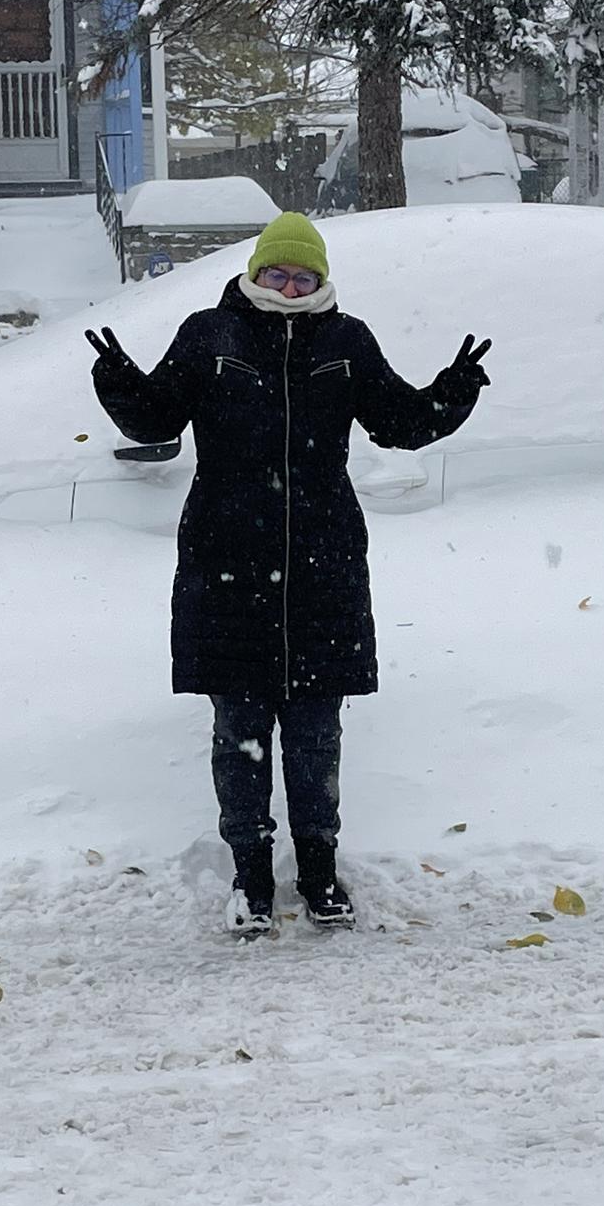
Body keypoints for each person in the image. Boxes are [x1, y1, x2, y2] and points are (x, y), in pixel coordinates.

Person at [87, 210, 491, 936]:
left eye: (304, 275)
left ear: (321, 280)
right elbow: (155, 423)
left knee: (314, 733)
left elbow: (399, 424)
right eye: (278, 271)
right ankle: (248, 878)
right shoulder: (209, 335)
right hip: (225, 559)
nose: (290, 284)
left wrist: (453, 389)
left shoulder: (346, 340)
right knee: (238, 728)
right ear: (255, 272)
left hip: (323, 561)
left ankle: (319, 872)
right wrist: (117, 383)